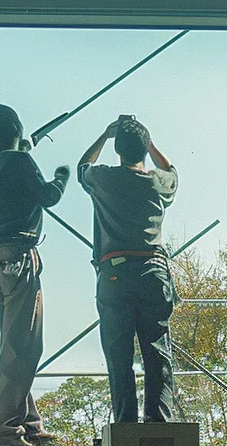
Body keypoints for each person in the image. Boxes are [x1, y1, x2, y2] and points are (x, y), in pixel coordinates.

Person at [0, 104, 70, 446]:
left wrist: (22, 155)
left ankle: (29, 424)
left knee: (13, 344)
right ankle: (6, 433)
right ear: (16, 126)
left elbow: (8, 185)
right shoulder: (20, 162)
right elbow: (48, 197)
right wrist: (62, 175)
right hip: (17, 259)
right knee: (23, 348)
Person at [78, 116, 180, 424]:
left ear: (118, 150)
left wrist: (105, 134)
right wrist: (148, 140)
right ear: (145, 151)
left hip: (115, 273)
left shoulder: (105, 178)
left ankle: (125, 426)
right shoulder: (157, 182)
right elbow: (171, 169)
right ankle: (159, 424)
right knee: (156, 351)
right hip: (153, 271)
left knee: (118, 354)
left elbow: (83, 166)